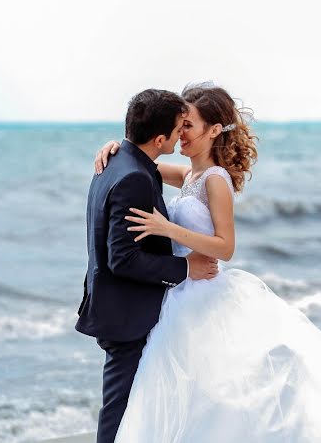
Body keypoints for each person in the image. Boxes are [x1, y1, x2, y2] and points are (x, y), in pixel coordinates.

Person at [94, 82, 321, 443]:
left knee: (222, 395)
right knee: (187, 393)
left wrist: (167, 227)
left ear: (214, 130)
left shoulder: (216, 181)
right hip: (180, 294)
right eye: (179, 126)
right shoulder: (188, 175)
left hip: (204, 293)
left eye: (188, 125)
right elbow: (142, 164)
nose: (182, 133)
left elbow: (225, 247)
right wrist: (114, 148)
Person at [76, 89, 220, 443]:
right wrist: (185, 268)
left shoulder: (119, 163)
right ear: (160, 139)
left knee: (141, 407)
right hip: (126, 314)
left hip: (123, 307)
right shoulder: (133, 177)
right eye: (177, 129)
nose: (180, 135)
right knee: (120, 410)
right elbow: (122, 258)